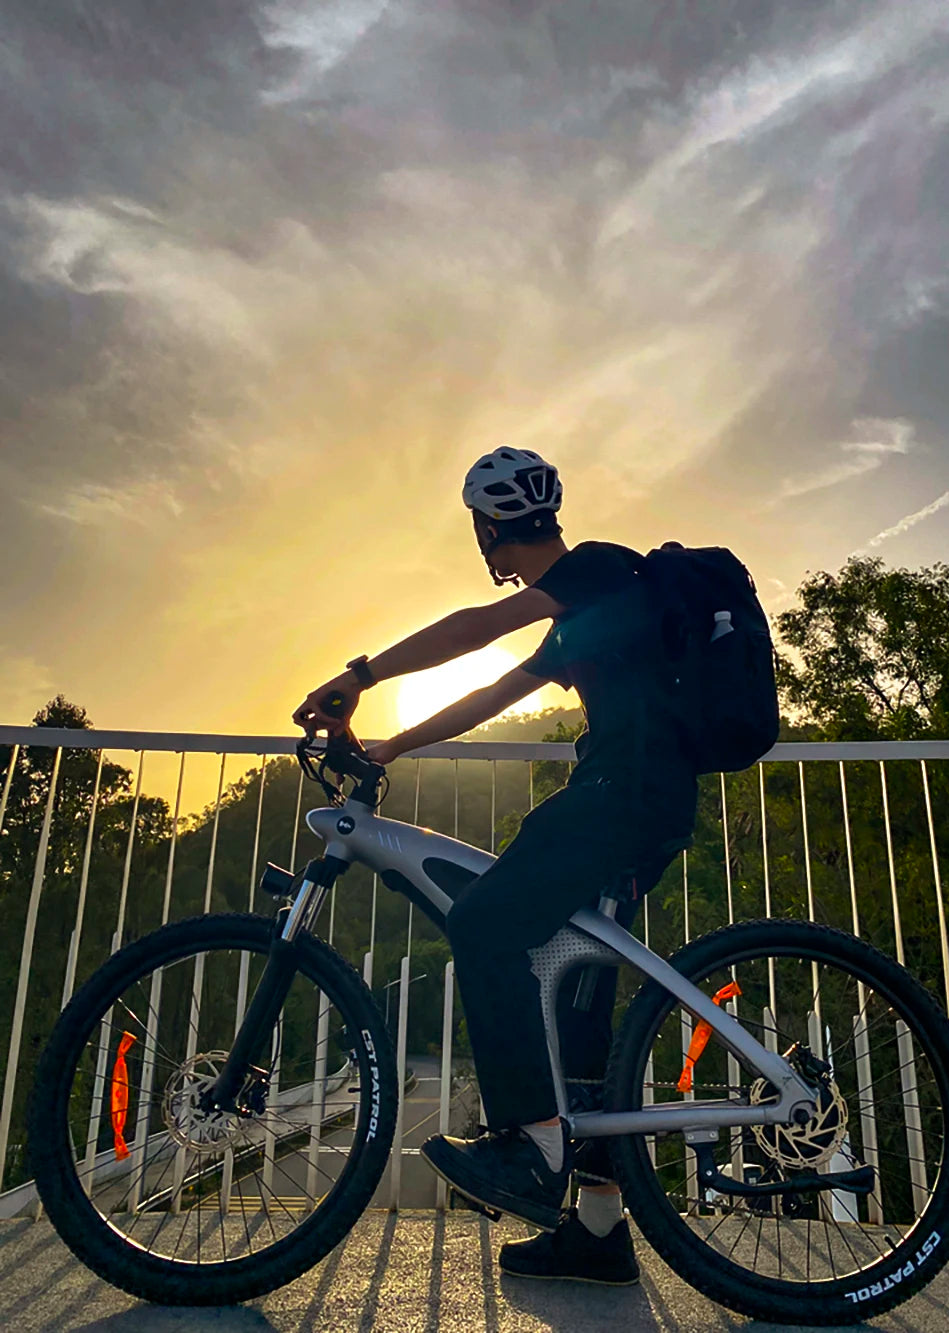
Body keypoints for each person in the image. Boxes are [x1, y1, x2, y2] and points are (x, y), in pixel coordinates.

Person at [293, 446, 698, 1285]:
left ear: (487, 527)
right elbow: (496, 692)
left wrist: (361, 674)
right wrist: (395, 744)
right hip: (636, 793)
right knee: (574, 991)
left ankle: (528, 1141)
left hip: (625, 792)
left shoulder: (596, 570)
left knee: (482, 921)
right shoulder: (591, 605)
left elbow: (477, 626)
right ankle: (596, 1231)